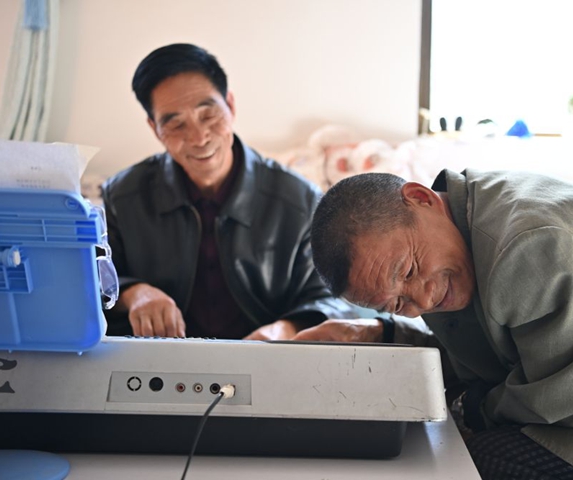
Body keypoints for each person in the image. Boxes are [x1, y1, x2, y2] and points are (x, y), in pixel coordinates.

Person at [300, 169, 573, 479]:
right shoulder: (458, 226)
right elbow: (499, 355)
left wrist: (468, 408)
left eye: (409, 270)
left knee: (477, 463)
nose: (423, 301)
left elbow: (572, 407)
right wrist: (381, 335)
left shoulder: (528, 243)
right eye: (396, 304)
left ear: (421, 198)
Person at [101, 43, 373, 340]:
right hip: (160, 358)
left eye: (208, 115)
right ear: (155, 128)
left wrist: (284, 330)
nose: (199, 138)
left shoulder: (300, 199)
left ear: (230, 106)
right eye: (176, 124)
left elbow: (335, 299)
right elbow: (90, 279)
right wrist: (133, 293)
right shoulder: (122, 197)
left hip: (265, 358)